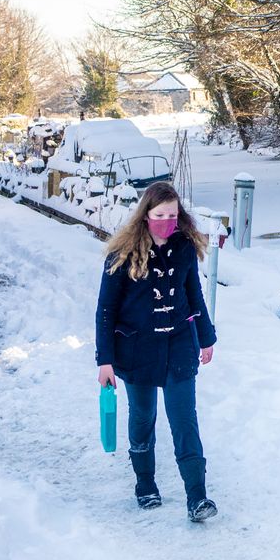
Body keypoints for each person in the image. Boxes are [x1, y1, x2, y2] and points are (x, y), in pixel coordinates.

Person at [95, 181, 218, 522]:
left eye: (173, 214)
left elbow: (194, 295)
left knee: (184, 420)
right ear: (146, 214)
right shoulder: (122, 254)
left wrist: (206, 337)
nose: (167, 220)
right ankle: (145, 484)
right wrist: (104, 360)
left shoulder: (184, 248)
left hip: (179, 345)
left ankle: (197, 497)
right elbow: (106, 309)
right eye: (160, 214)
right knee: (143, 416)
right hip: (136, 349)